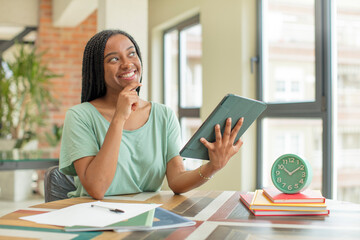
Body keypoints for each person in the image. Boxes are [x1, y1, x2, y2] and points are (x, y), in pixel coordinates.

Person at [59, 29, 244, 200]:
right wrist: (119, 118)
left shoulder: (163, 115)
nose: (127, 63)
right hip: (94, 217)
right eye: (113, 59)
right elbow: (97, 189)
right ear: (97, 70)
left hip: (147, 218)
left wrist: (213, 166)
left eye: (132, 54)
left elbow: (177, 180)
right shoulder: (79, 116)